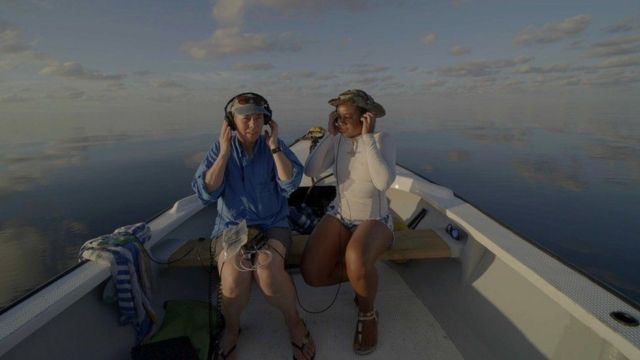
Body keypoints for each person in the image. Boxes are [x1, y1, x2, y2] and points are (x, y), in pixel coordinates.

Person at [191, 92, 315, 360]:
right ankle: (232, 329)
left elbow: (290, 185)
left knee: (268, 271)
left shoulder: (275, 145)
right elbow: (206, 193)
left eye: (258, 118)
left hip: (273, 224)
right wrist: (224, 154)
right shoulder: (218, 149)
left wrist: (274, 148)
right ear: (231, 121)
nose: (253, 125)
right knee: (234, 278)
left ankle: (295, 323)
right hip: (231, 227)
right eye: (246, 119)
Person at [301, 89, 396, 355]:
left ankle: (367, 314)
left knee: (355, 255)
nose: (341, 123)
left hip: (375, 218)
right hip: (340, 213)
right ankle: (362, 277)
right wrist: (330, 137)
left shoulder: (381, 139)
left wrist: (367, 139)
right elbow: (311, 170)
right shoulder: (338, 139)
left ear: (367, 118)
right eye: (338, 118)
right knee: (312, 273)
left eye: (346, 118)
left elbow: (383, 182)